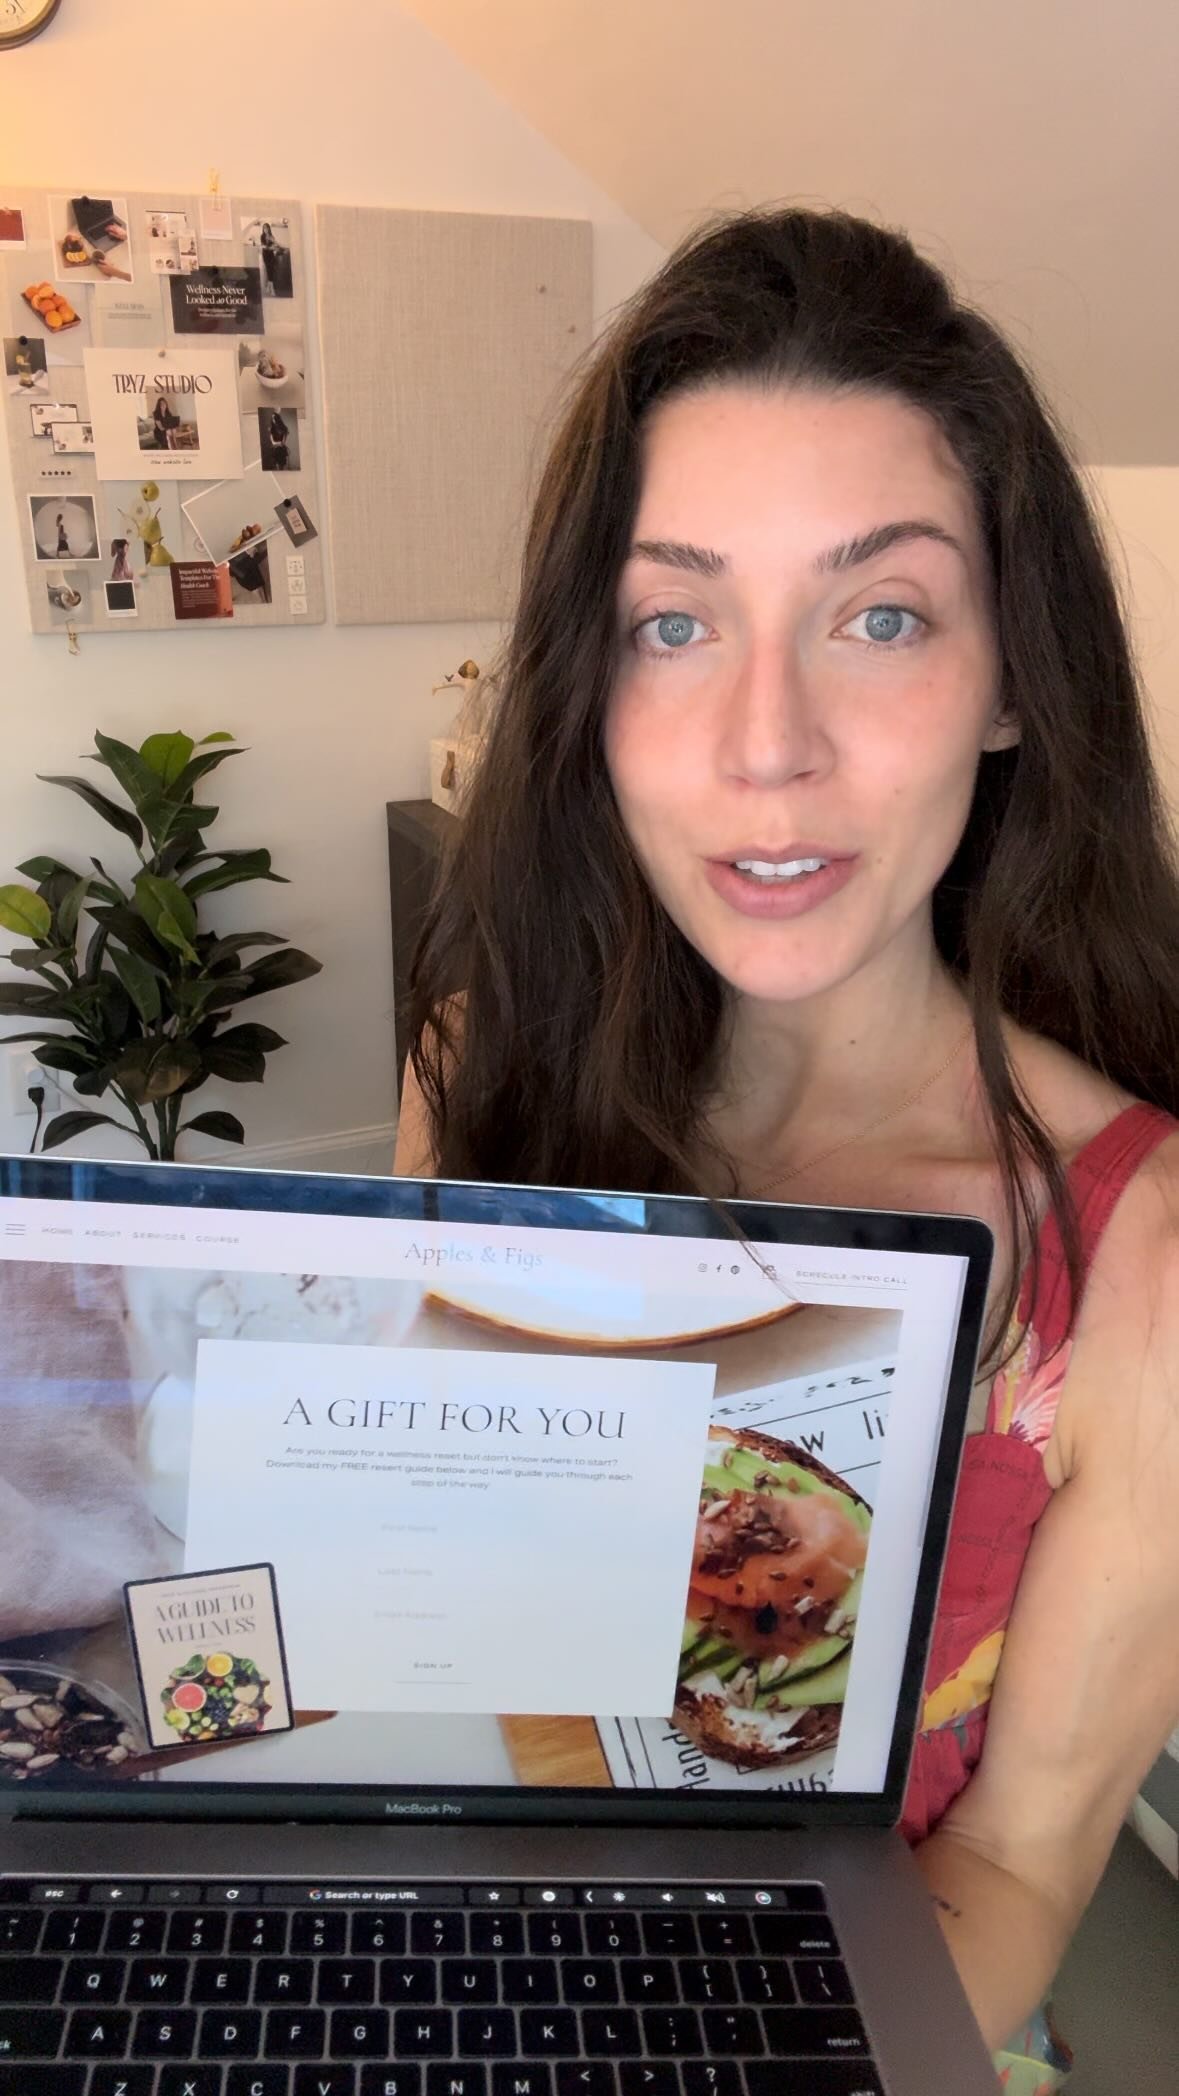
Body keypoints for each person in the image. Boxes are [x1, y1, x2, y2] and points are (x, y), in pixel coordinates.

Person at [394, 207, 1179, 2089]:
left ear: (1012, 678)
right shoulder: (477, 1072)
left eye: (880, 615)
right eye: (674, 623)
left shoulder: (1138, 1253)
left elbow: (1019, 1860)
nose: (769, 747)